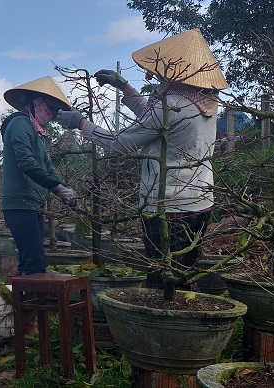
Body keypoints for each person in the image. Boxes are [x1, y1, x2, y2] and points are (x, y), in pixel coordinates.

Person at [56, 29, 227, 289]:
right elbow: (154, 120)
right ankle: (184, 315)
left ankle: (165, 324)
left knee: (162, 278)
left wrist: (81, 123)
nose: (156, 74)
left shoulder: (170, 106)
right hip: (199, 201)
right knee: (184, 272)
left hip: (168, 206)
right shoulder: (204, 100)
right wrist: (124, 86)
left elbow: (119, 144)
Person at [1, 76, 78, 279]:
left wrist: (63, 188)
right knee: (34, 263)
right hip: (19, 203)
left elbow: (48, 169)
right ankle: (25, 305)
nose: (50, 114)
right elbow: (26, 163)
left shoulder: (39, 134)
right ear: (34, 103)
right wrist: (57, 187)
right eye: (47, 107)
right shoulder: (19, 124)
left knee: (31, 259)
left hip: (33, 204)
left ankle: (13, 301)